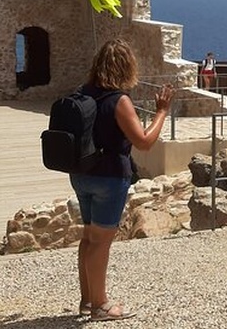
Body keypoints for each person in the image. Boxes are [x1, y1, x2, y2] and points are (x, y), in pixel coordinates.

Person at [72, 38, 173, 321]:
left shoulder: (83, 93)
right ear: (126, 67)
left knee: (89, 237)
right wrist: (162, 112)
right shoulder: (119, 101)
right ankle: (101, 305)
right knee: (101, 241)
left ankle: (87, 299)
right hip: (109, 177)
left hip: (81, 173)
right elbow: (144, 142)